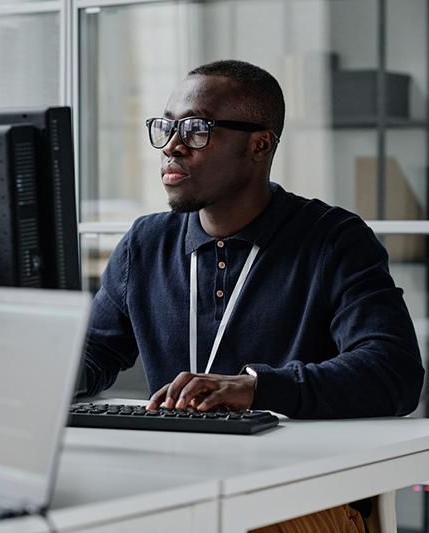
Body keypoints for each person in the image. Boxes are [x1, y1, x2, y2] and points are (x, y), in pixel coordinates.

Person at [82, 59, 425, 532]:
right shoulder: (145, 244)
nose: (172, 146)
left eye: (197, 129)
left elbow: (393, 371)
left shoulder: (333, 239)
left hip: (303, 496)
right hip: (177, 487)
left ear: (259, 144)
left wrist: (255, 388)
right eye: (165, 127)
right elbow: (95, 352)